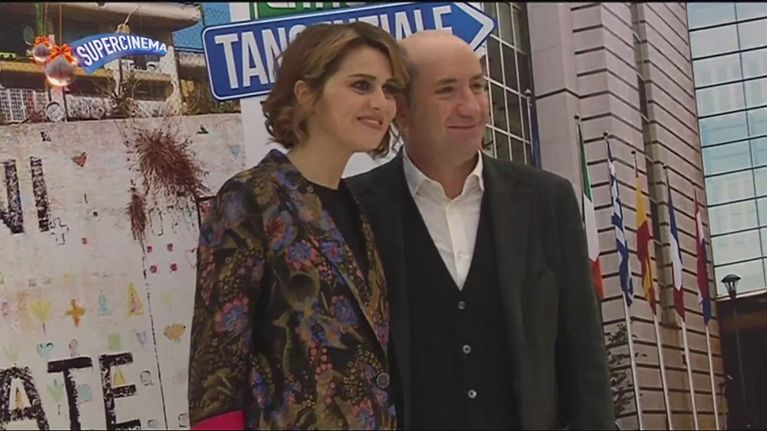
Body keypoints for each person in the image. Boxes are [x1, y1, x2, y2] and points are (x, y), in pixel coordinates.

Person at [348, 31, 615, 430]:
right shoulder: (353, 210)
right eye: (446, 90)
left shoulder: (547, 201)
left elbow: (585, 359)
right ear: (401, 109)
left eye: (477, 86)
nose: (471, 107)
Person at [188, 22, 408, 430]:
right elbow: (215, 374)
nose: (381, 103)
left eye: (389, 89)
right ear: (306, 93)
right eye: (361, 85)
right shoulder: (251, 198)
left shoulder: (359, 207)